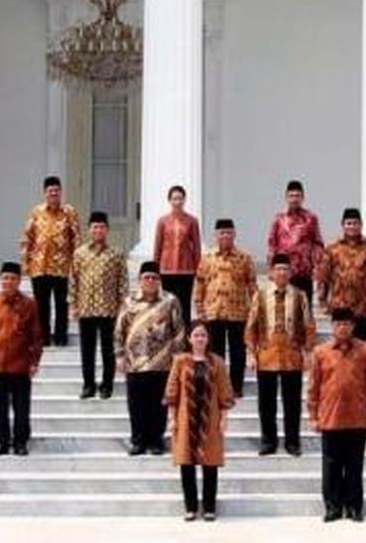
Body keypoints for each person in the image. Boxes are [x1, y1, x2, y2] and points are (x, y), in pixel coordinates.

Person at [308, 307, 366, 523]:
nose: (343, 327)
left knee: (354, 465)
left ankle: (354, 506)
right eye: (339, 324)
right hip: (330, 417)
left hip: (357, 417)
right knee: (331, 466)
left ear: (353, 326)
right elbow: (313, 386)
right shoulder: (321, 352)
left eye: (347, 324)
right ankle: (332, 506)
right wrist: (312, 415)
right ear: (332, 327)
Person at [244, 253, 315, 457]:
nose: (282, 273)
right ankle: (268, 440)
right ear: (271, 273)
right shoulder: (261, 295)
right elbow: (251, 324)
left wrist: (307, 351)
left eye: (285, 269)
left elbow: (309, 325)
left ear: (291, 272)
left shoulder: (299, 295)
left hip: (291, 354)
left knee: (292, 402)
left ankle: (293, 441)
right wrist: (251, 351)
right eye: (278, 269)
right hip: (267, 354)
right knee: (266, 403)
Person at [165, 321, 235, 522]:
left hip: (209, 418)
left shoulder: (217, 362)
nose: (200, 339)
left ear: (208, 338)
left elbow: (224, 392)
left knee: (210, 463)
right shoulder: (180, 361)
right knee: (186, 463)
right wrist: (172, 418)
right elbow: (172, 392)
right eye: (196, 335)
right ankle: (191, 507)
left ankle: (210, 507)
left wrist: (224, 419)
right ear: (189, 338)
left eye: (203, 335)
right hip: (185, 418)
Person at [116, 261, 185, 456]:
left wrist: (178, 358)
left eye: (154, 277)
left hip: (161, 362)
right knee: (136, 404)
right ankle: (138, 440)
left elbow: (178, 331)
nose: (150, 280)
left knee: (158, 404)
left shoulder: (170, 301)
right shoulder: (129, 302)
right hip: (135, 362)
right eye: (147, 277)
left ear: (159, 280)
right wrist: (119, 355)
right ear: (139, 280)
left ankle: (156, 440)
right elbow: (119, 330)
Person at [0, 261, 42, 456]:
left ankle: (20, 442)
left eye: (13, 278)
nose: (9, 281)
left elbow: (36, 335)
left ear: (19, 281)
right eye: (5, 278)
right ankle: (1, 442)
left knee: (22, 407)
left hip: (21, 364)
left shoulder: (29, 304)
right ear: (0, 280)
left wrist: (34, 362)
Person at [195, 218, 258, 398]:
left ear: (234, 234)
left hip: (238, 312)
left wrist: (255, 309)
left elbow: (252, 285)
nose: (225, 236)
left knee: (238, 352)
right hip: (213, 311)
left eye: (229, 232)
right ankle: (217, 386)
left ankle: (236, 387)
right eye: (222, 232)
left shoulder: (244, 258)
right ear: (216, 235)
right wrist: (200, 309)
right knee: (216, 353)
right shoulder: (207, 258)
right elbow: (200, 284)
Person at [69, 211, 127, 399]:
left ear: (107, 230)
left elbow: (123, 282)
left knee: (107, 349)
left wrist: (122, 306)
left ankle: (107, 384)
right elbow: (73, 280)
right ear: (89, 229)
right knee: (87, 349)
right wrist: (73, 305)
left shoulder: (116, 254)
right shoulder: (80, 253)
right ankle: (88, 384)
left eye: (102, 227)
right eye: (95, 227)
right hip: (86, 307)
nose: (98, 230)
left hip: (108, 308)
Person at [21, 175, 80, 347]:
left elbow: (76, 238)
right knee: (41, 305)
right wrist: (25, 261)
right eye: (50, 191)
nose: (53, 193)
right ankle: (43, 337)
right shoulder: (36, 212)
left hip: (62, 266)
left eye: (56, 190)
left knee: (62, 304)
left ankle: (61, 337)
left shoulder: (69, 212)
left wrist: (76, 263)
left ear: (61, 192)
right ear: (44, 193)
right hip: (39, 265)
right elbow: (27, 237)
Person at [315, 208, 366, 343]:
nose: (352, 227)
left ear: (361, 225)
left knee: (363, 347)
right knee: (341, 347)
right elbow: (323, 276)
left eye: (355, 223)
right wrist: (322, 300)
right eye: (348, 223)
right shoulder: (332, 248)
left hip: (365, 306)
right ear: (343, 225)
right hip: (340, 306)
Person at [266, 179, 324, 309]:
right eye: (291, 196)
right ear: (286, 197)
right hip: (284, 272)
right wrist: (271, 268)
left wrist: (318, 266)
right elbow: (272, 243)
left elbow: (318, 243)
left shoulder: (311, 218)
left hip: (304, 271)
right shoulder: (279, 218)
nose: (294, 199)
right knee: (284, 310)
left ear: (303, 197)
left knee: (304, 311)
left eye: (298, 196)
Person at [154, 185, 202, 327]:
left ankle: (185, 338)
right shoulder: (162, 221)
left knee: (184, 306)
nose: (178, 201)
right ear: (169, 200)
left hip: (186, 270)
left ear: (184, 200)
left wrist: (198, 268)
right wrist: (155, 268)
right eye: (174, 198)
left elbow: (197, 246)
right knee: (167, 305)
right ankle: (168, 338)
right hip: (166, 269)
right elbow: (158, 245)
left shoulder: (192, 221)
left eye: (180, 198)